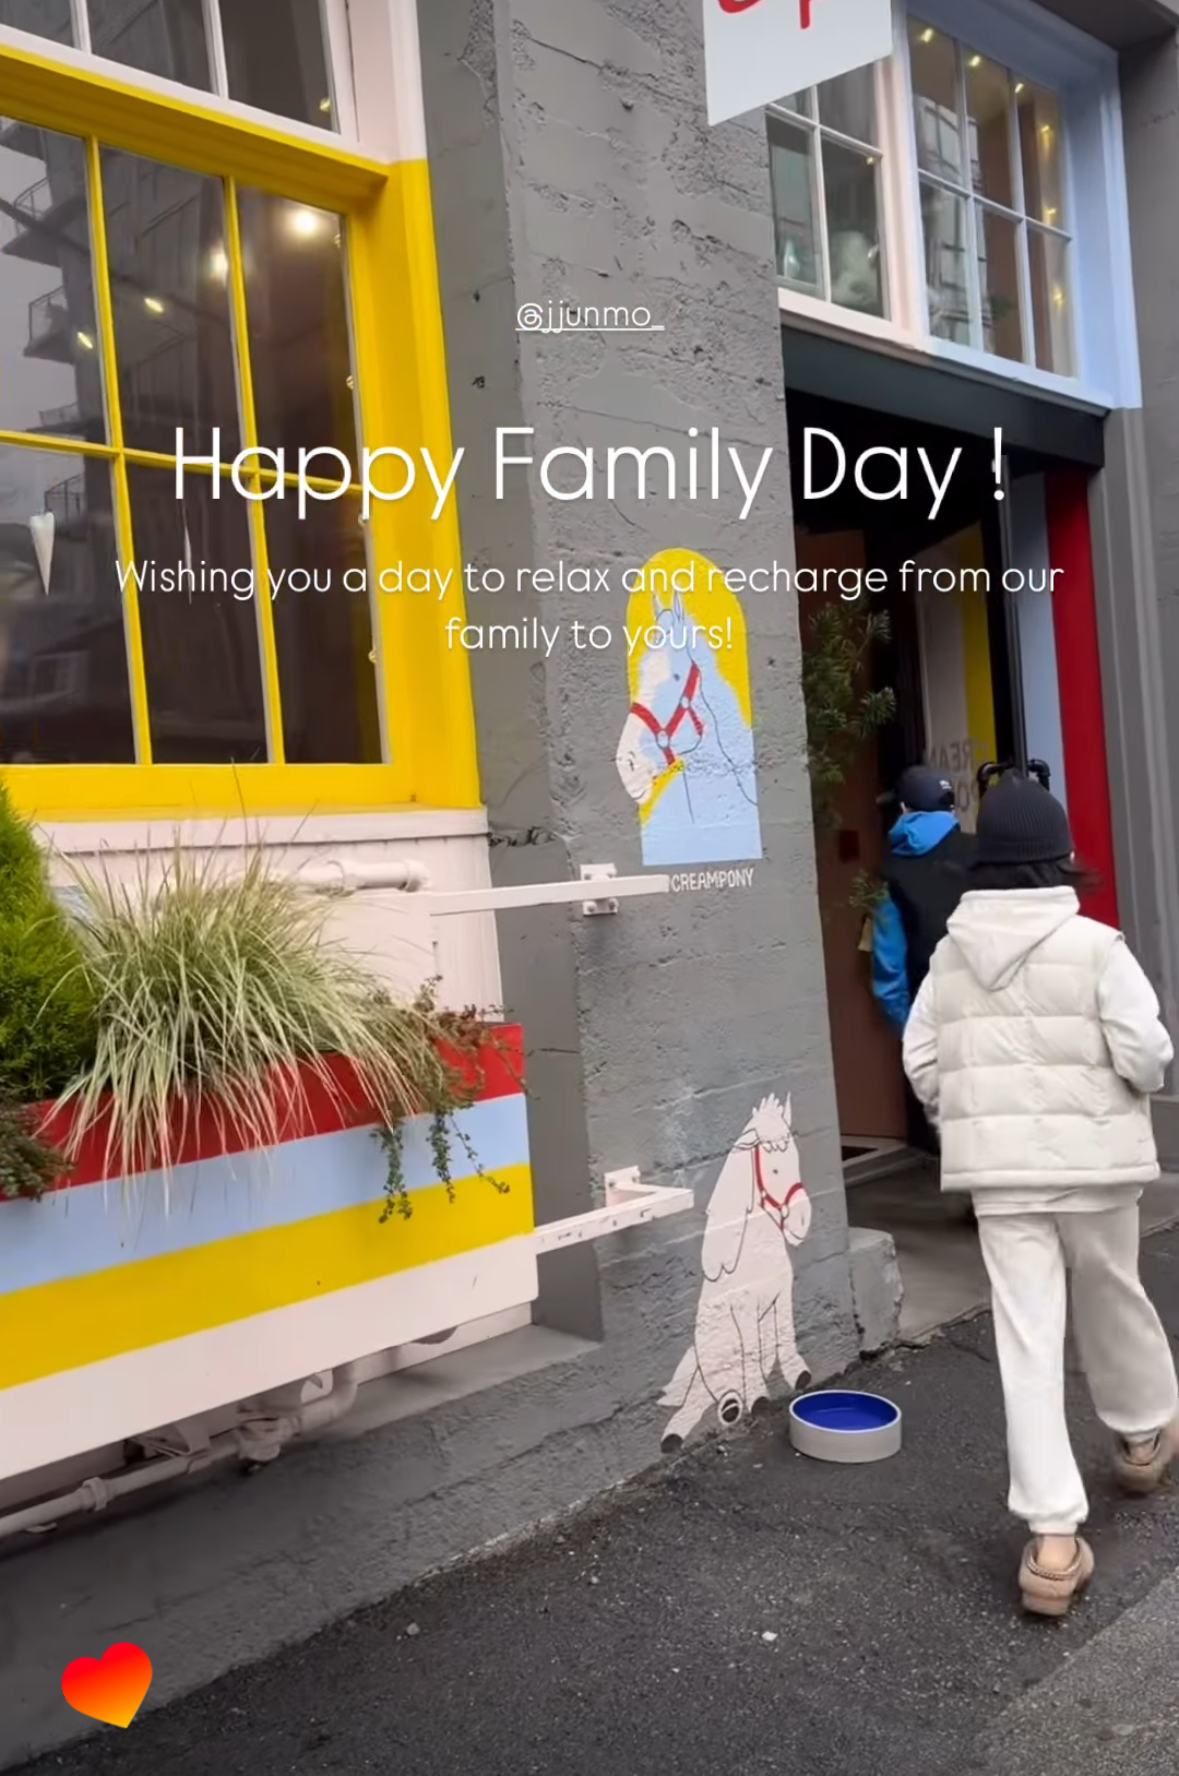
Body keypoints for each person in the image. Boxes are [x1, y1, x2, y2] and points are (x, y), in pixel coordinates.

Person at [902, 771, 1179, 1617]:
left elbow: (921, 1061)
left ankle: (1053, 1542)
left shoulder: (950, 955)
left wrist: (971, 1115)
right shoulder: (1096, 948)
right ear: (1058, 860)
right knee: (1111, 1293)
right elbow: (1146, 1057)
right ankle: (1141, 1436)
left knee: (1025, 1337)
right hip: (1096, 1169)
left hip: (1000, 1177)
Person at [874, 765, 976, 1153]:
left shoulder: (891, 874)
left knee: (954, 1130)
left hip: (932, 1014)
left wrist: (911, 1033)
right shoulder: (982, 853)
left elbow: (889, 972)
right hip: (993, 1007)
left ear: (904, 809)